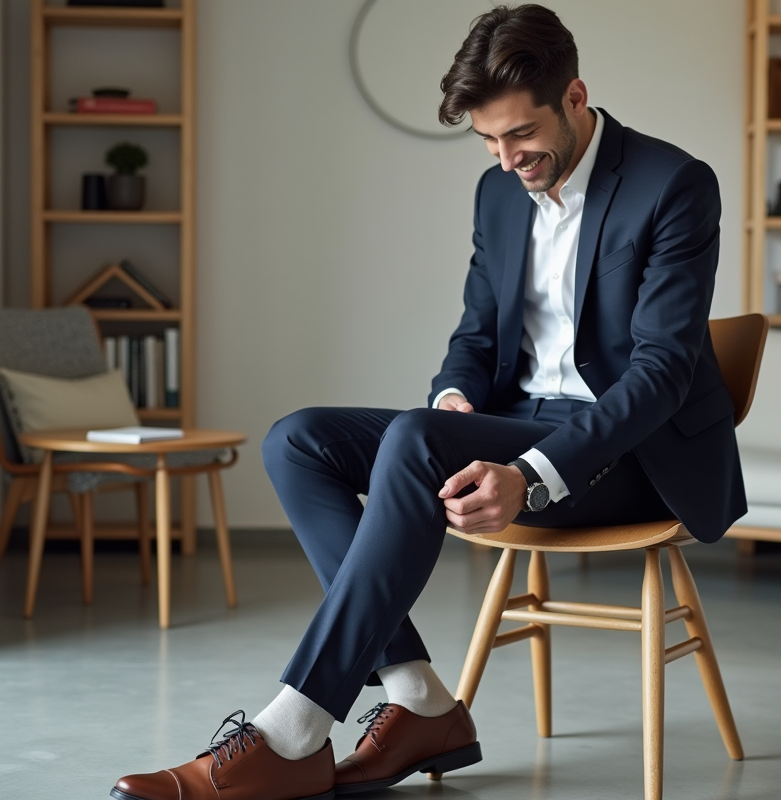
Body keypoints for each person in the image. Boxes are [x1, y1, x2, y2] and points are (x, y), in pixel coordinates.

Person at [111, 4, 745, 800]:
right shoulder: (498, 193)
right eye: (487, 141)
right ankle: (417, 699)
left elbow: (661, 374)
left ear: (575, 98)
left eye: (520, 136)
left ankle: (295, 730)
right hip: (518, 425)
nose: (507, 158)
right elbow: (476, 338)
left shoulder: (673, 184)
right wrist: (454, 403)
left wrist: (534, 472)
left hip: (632, 456)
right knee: (297, 440)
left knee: (410, 440)